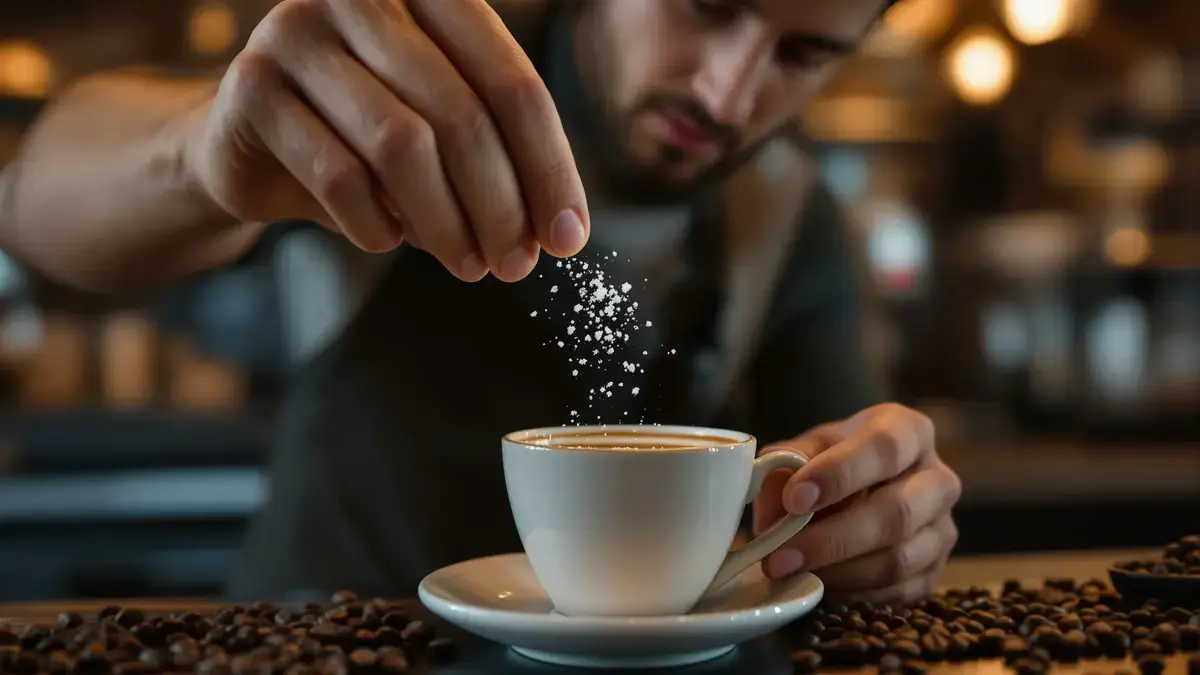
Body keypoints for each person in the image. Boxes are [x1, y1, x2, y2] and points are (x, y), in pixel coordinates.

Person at [0, 0, 962, 604]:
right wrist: (200, 150)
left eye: (801, 54)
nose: (727, 90)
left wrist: (880, 513)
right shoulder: (410, 101)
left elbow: (822, 491)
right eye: (708, 8)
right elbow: (31, 206)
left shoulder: (790, 217)